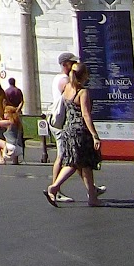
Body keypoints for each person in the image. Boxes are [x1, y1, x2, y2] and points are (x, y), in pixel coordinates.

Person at [45, 61, 102, 207]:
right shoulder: (82, 92)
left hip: (67, 129)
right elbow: (86, 115)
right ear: (84, 76)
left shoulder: (67, 88)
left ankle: (92, 198)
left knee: (85, 165)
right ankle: (55, 186)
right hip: (80, 131)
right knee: (75, 163)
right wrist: (94, 135)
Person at [0, 81, 23, 165]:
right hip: (19, 149)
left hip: (11, 148)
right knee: (13, 139)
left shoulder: (9, 122)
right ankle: (15, 160)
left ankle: (1, 159)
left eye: (5, 113)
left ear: (9, 114)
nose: (4, 114)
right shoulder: (17, 122)